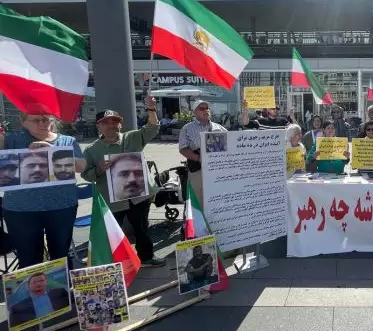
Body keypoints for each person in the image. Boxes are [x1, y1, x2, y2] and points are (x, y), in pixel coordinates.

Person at [82, 97, 165, 267]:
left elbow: (153, 127)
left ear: (120, 124)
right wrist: (99, 169)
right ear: (98, 126)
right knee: (113, 231)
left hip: (138, 196)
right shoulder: (91, 150)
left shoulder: (133, 137)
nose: (111, 125)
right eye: (106, 122)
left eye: (115, 121)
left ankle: (147, 257)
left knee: (142, 228)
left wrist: (151, 109)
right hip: (112, 199)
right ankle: (112, 262)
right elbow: (86, 175)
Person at [0, 114, 86, 268]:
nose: (42, 123)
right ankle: (33, 284)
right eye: (36, 120)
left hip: (62, 207)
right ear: (23, 122)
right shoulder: (10, 139)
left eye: (46, 119)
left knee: (60, 255)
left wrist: (55, 152)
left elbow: (82, 167)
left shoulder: (67, 141)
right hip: (20, 211)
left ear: (52, 121)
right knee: (28, 258)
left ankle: (62, 283)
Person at [178, 100, 227, 208]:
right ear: (195, 112)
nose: (206, 110)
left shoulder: (219, 128)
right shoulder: (187, 128)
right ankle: (199, 219)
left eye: (207, 108)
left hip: (217, 170)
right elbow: (183, 149)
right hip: (197, 169)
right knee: (198, 200)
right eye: (202, 108)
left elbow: (230, 146)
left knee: (217, 199)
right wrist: (199, 158)